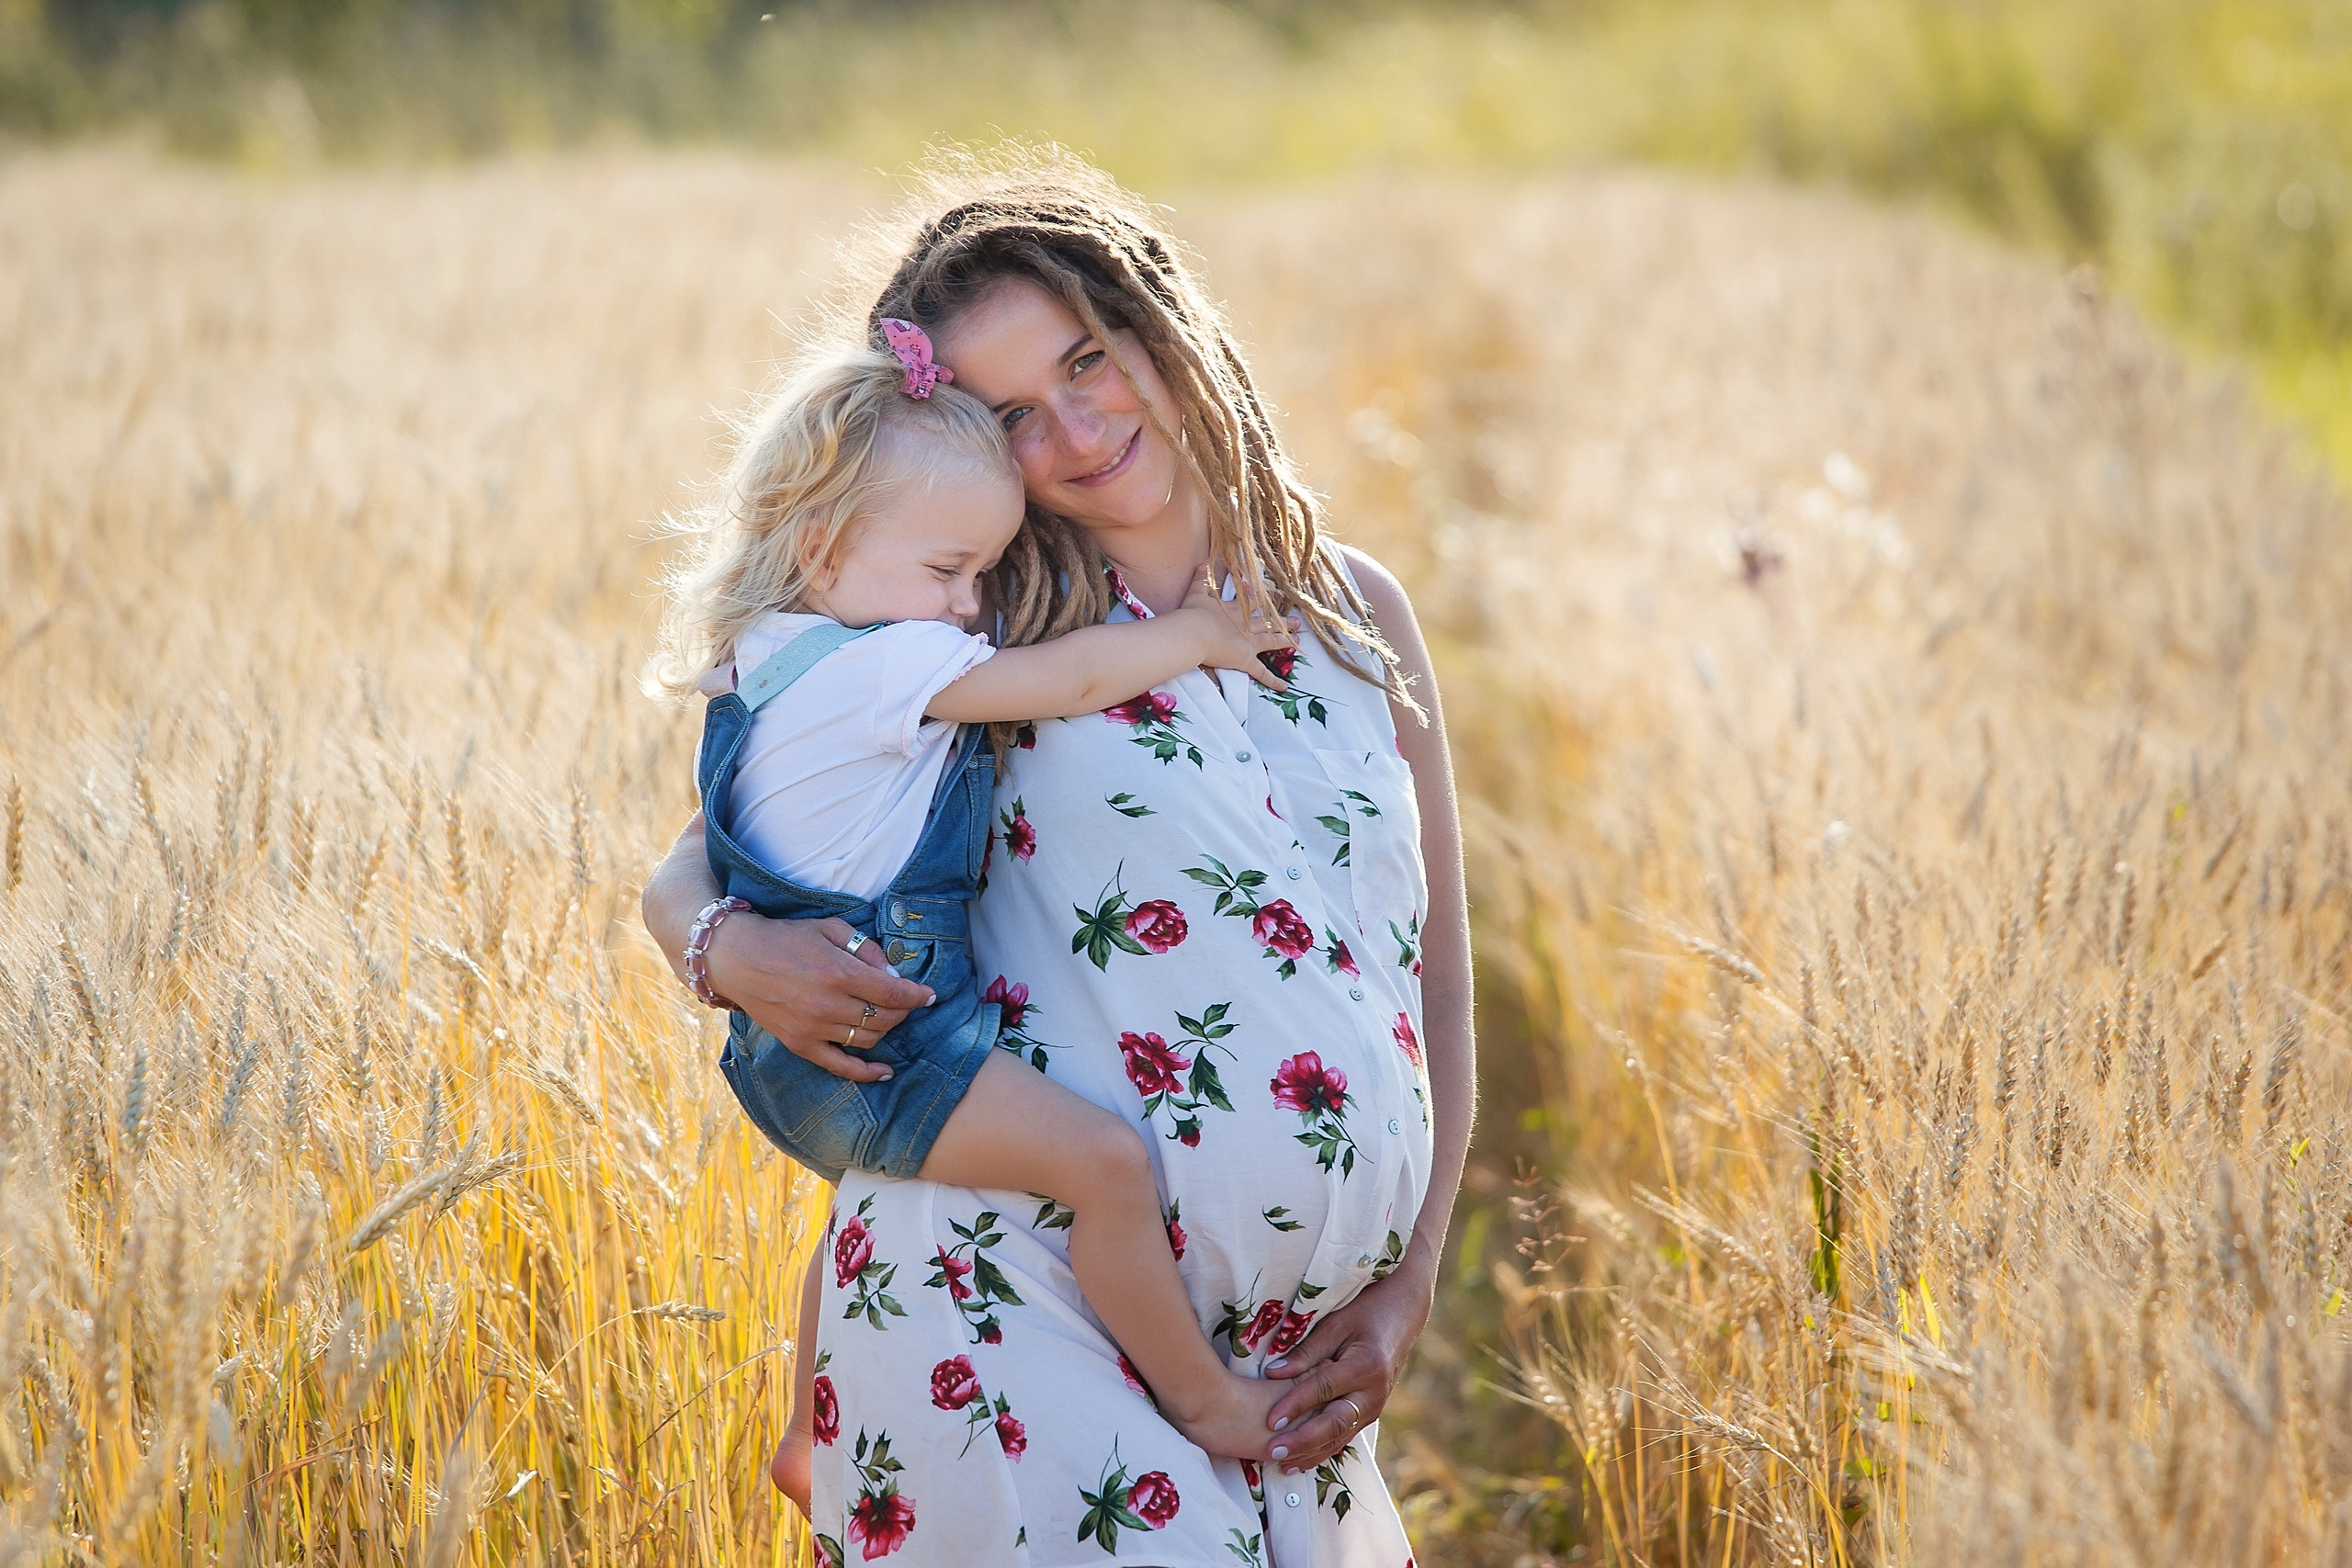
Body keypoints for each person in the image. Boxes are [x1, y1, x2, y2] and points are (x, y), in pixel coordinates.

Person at [642, 150, 1473, 1568]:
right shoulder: (985, 631)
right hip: (1008, 1313)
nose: (1079, 428)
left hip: (1285, 1379)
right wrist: (721, 945)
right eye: (1016, 415)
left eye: (1089, 359)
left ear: (1161, 324)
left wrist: (1412, 1282)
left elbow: (1434, 979)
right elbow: (716, 839)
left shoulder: (1357, 614)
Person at [652, 325, 1303, 1478]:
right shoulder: (882, 666)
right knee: (1103, 1166)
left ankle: (808, 1435)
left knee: (882, 1188)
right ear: (821, 547)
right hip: (888, 1038)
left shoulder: (767, 653)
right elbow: (1068, 676)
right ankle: (1206, 1402)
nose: (966, 608)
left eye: (983, 576)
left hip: (802, 1049)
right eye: (948, 572)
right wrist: (1198, 634)